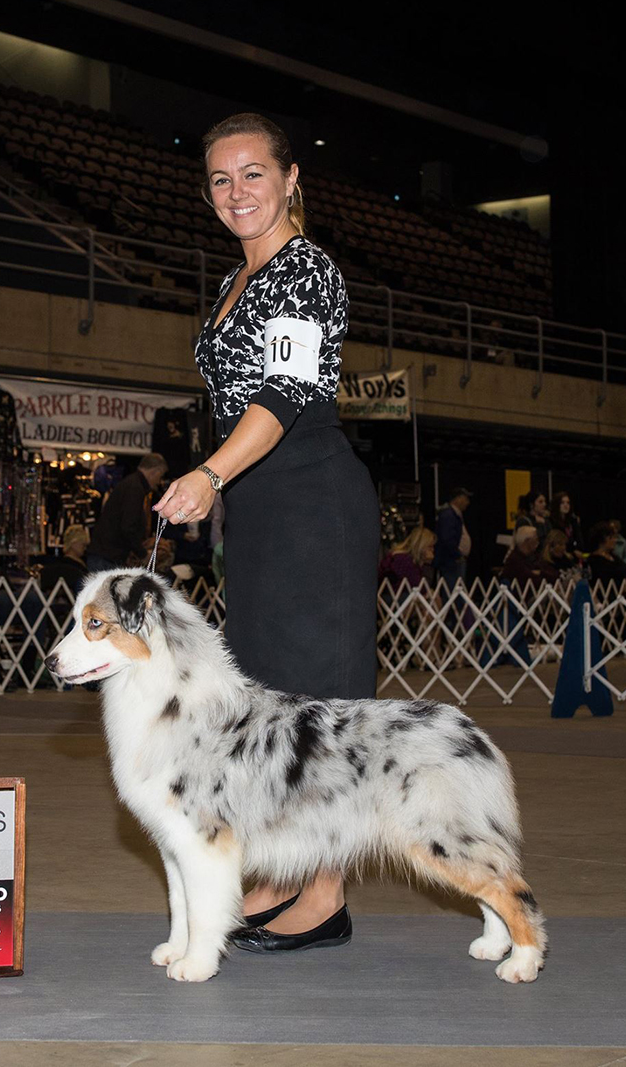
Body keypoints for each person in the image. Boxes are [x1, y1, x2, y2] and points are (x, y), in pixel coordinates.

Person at [153, 112, 378, 954]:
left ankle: (325, 893)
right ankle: (284, 872)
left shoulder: (305, 271)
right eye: (220, 178)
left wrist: (210, 472)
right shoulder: (234, 280)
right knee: (273, 700)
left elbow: (283, 397)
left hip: (312, 504)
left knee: (320, 705)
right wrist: (222, 488)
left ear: (290, 181)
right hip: (260, 511)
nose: (236, 191)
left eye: (254, 174)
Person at [85, 454, 168, 571]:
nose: (159, 481)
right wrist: (143, 554)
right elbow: (128, 526)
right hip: (108, 557)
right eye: (161, 475)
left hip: (105, 554)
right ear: (155, 471)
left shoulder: (131, 484)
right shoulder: (135, 488)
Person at [432, 487, 473, 590]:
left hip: (454, 560)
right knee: (453, 590)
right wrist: (457, 555)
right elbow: (447, 539)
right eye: (465, 499)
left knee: (455, 589)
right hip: (451, 561)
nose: (467, 502)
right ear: (458, 498)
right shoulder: (449, 515)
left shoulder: (454, 514)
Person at [378, 525, 435, 590]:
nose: (432, 550)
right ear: (421, 546)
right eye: (430, 547)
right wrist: (427, 564)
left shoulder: (405, 558)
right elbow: (420, 587)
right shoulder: (403, 560)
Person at [39, 523, 91, 594]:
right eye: (83, 544)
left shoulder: (56, 564)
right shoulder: (73, 567)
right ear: (74, 544)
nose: (85, 548)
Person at [584, 521, 626, 585]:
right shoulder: (593, 561)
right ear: (604, 538)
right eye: (612, 537)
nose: (615, 540)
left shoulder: (615, 558)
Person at [549, 491, 581, 559]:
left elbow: (578, 538)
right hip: (559, 555)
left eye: (568, 503)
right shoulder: (551, 521)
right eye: (562, 503)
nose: (566, 505)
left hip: (573, 554)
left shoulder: (572, 521)